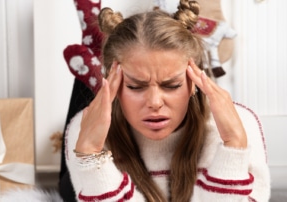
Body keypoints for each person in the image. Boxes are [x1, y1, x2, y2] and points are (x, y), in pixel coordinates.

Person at [64, 0, 271, 201]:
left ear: (193, 81)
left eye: (172, 85)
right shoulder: (83, 131)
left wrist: (234, 146)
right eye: (135, 86)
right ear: (114, 83)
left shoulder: (241, 124)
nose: (155, 102)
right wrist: (90, 155)